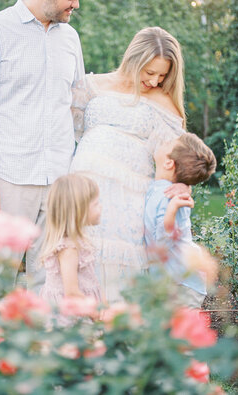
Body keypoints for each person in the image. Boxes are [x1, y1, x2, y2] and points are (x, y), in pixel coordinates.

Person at [0, 0, 86, 345]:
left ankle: (39, 375)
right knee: (0, 285)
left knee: (47, 283)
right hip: (9, 180)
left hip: (58, 184)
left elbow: (78, 107)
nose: (76, 5)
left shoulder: (70, 39)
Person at [70, 26, 187, 303]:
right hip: (85, 193)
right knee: (81, 264)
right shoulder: (92, 86)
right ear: (133, 60)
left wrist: (179, 186)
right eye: (149, 72)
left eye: (163, 75)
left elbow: (177, 156)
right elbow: (67, 136)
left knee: (120, 277)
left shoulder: (162, 100)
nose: (156, 80)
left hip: (130, 202)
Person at [144, 132, 217, 308]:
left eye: (168, 142)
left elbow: (162, 244)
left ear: (169, 163)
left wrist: (171, 211)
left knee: (180, 333)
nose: (164, 140)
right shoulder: (164, 188)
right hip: (175, 280)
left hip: (182, 283)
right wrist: (187, 184)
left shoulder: (174, 198)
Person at [40, 173, 102, 326]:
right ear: (78, 211)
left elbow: (91, 280)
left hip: (84, 307)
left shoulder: (77, 242)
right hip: (70, 318)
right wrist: (98, 316)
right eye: (96, 204)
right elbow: (72, 293)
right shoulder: (68, 249)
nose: (101, 207)